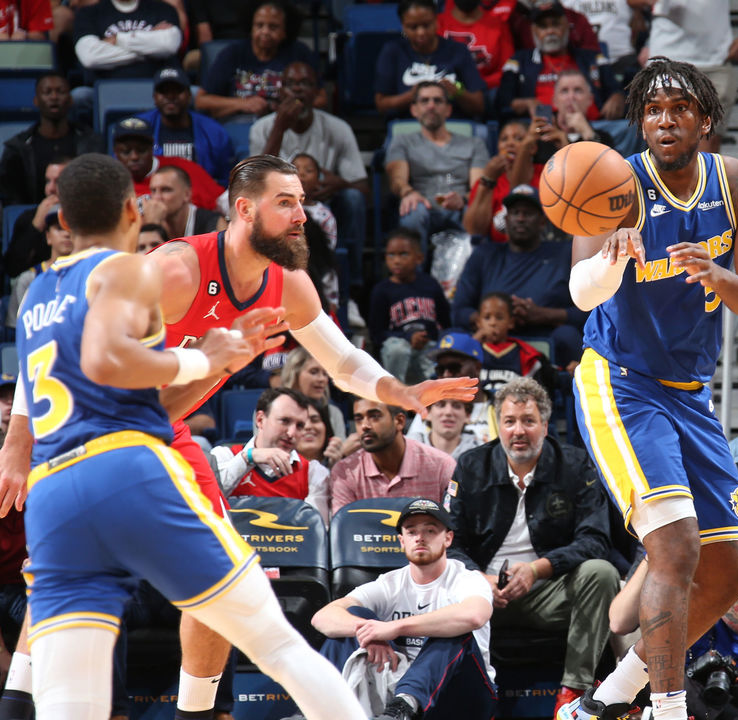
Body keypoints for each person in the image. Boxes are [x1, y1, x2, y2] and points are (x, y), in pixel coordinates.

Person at [0, 154, 478, 719]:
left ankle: (190, 710)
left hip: (133, 438)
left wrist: (399, 390)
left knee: (84, 594)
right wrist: (17, 443)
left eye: (302, 201)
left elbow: (344, 361)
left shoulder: (287, 284)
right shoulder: (174, 270)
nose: (302, 215)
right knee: (257, 622)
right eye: (286, 202)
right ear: (244, 210)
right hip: (120, 434)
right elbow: (80, 351)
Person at [564, 57, 738, 720]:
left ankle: (608, 698)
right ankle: (668, 711)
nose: (665, 120)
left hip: (689, 392)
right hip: (619, 381)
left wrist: (717, 275)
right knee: (675, 546)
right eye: (653, 110)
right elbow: (581, 292)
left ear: (705, 119)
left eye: (680, 108)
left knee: (730, 572)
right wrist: (612, 261)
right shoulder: (612, 180)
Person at [448, 378, 619, 715]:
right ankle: (458, 699)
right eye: (509, 421)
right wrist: (479, 579)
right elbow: (450, 542)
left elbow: (596, 540)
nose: (518, 431)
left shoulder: (575, 465)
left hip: (548, 592)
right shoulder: (471, 466)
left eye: (528, 421)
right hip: (482, 593)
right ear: (498, 425)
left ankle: (574, 694)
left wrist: (537, 569)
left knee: (601, 573)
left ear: (545, 425)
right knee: (437, 578)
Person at [312, 498, 496, 720]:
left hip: (461, 695)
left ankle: (405, 706)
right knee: (352, 618)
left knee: (455, 629)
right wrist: (370, 632)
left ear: (448, 538)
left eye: (430, 531)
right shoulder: (390, 583)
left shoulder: (468, 579)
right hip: (396, 690)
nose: (420, 538)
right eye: (411, 532)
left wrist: (394, 628)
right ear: (402, 541)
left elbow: (474, 615)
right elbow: (322, 617)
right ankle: (314, 710)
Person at [608, 552, 738, 720]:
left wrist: (704, 579)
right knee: (641, 661)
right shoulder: (655, 552)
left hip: (732, 677)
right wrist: (654, 556)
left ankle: (691, 714)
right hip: (675, 676)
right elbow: (619, 622)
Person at [250, 61, 370, 285]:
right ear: (281, 92)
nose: (297, 89)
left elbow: (363, 187)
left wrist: (340, 184)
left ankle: (353, 284)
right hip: (278, 207)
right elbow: (255, 183)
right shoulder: (262, 129)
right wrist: (279, 128)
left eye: (305, 83)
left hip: (325, 205)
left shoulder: (338, 129)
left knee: (353, 199)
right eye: (290, 84)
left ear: (317, 93)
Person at [453, 183, 585, 367]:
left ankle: (570, 383)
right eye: (515, 213)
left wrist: (544, 315)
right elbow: (459, 309)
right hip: (493, 336)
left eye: (528, 213)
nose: (521, 218)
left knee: (568, 335)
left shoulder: (564, 254)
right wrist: (489, 320)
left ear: (542, 221)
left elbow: (587, 311)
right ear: (506, 220)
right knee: (453, 337)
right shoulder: (484, 254)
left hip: (545, 333)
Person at [638, 0, 738, 152]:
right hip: (668, 60)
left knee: (709, 139)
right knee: (669, 138)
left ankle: (704, 169)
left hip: (715, 62)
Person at [387, 81, 490, 244]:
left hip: (460, 208)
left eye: (437, 101)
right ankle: (415, 261)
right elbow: (397, 179)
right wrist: (408, 193)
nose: (431, 106)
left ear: (448, 109)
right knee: (412, 211)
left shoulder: (473, 144)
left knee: (476, 211)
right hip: (422, 206)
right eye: (424, 101)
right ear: (414, 109)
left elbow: (480, 187)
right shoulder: (402, 142)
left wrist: (463, 200)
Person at [210, 387, 331, 517]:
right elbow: (207, 500)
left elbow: (316, 525)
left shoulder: (313, 473)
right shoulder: (223, 456)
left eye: (300, 426)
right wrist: (248, 458)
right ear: (260, 420)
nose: (291, 433)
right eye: (285, 421)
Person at [496, 0, 624, 122]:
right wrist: (526, 103)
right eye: (543, 26)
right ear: (533, 31)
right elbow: (502, 101)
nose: (550, 31)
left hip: (595, 125)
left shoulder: (592, 58)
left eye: (555, 24)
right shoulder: (519, 62)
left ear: (567, 26)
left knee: (626, 127)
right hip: (543, 127)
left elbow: (615, 89)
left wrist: (617, 97)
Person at [195, 0, 322, 119]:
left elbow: (321, 98)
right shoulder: (233, 53)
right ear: (251, 28)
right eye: (259, 25)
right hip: (238, 122)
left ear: (285, 31)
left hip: (286, 121)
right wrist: (242, 103)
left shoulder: (299, 53)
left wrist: (291, 107)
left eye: (273, 27)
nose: (265, 32)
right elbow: (201, 101)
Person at [329, 399, 457, 515]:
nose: (364, 425)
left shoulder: (442, 466)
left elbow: (454, 526)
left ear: (399, 421)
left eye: (374, 416)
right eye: (359, 419)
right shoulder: (345, 472)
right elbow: (343, 529)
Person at [0, 74, 100, 207]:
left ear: (70, 100)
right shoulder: (18, 148)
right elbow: (11, 198)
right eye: (47, 92)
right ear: (36, 100)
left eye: (61, 92)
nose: (54, 97)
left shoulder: (91, 142)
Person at [373, 0, 485, 117]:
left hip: (452, 122)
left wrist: (456, 92)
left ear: (436, 21)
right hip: (408, 123)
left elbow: (479, 105)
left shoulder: (458, 51)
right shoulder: (393, 51)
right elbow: (381, 105)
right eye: (413, 27)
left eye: (426, 25)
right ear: (403, 26)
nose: (421, 32)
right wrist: (413, 95)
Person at [369, 229, 452, 384]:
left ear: (419, 258)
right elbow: (377, 334)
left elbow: (446, 322)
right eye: (391, 255)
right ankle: (395, 394)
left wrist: (427, 336)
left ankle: (434, 393)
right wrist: (408, 337)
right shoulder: (382, 290)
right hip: (399, 350)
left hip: (427, 347)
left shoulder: (430, 284)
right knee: (397, 349)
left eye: (403, 254)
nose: (396, 260)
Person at [137, 67, 235, 185]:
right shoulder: (140, 128)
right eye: (164, 92)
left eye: (177, 91)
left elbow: (227, 178)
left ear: (189, 95)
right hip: (153, 191)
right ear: (155, 97)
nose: (170, 97)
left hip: (200, 192)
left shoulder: (214, 131)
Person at [112, 117, 225, 211]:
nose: (134, 157)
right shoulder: (109, 182)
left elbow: (225, 202)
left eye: (141, 150)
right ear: (115, 152)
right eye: (126, 152)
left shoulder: (183, 168)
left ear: (152, 148)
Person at [462, 120, 538, 243]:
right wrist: (487, 181)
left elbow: (519, 190)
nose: (510, 143)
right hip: (498, 248)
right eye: (504, 139)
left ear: (533, 148)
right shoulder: (489, 179)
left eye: (519, 139)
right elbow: (474, 230)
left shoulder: (546, 174)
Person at [72, 0, 181, 82]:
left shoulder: (163, 9)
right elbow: (90, 57)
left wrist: (117, 39)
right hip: (104, 86)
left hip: (159, 87)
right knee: (81, 95)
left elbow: (168, 45)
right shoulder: (88, 14)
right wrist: (149, 47)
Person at [6, 207, 73, 332]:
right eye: (59, 228)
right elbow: (17, 329)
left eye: (71, 228)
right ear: (48, 236)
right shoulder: (29, 278)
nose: (66, 234)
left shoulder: (91, 275)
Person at [436, 0, 515, 91]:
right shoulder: (437, 23)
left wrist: (479, 85)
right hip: (441, 87)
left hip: (487, 90)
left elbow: (507, 68)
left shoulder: (498, 25)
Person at [141, 165, 226, 240]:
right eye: (153, 191)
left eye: (166, 190)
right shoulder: (144, 222)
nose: (157, 198)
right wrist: (152, 225)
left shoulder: (213, 223)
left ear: (187, 194)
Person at [279, 346, 346, 436]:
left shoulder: (333, 413)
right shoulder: (274, 409)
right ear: (294, 374)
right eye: (314, 372)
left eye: (325, 374)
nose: (322, 379)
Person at [407, 398, 482, 460]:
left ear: (468, 416)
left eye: (456, 406)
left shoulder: (481, 455)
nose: (448, 412)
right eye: (441, 405)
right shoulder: (406, 449)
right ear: (427, 413)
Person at [297, 395, 344, 469]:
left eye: (315, 420)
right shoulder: (279, 472)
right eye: (300, 423)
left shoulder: (348, 470)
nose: (308, 426)